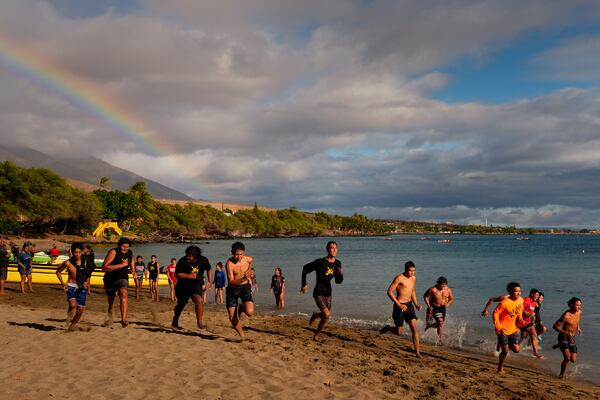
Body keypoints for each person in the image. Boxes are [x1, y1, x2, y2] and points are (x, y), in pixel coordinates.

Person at [301, 241, 344, 342]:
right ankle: (316, 316)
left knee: (326, 317)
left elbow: (338, 282)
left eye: (335, 248)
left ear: (337, 250)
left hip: (328, 292)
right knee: (326, 314)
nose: (333, 250)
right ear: (327, 249)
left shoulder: (338, 263)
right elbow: (305, 268)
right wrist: (304, 284)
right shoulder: (320, 262)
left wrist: (340, 274)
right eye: (331, 248)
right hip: (318, 291)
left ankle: (316, 334)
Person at [379, 261, 422, 357]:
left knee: (414, 329)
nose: (412, 273)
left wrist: (416, 304)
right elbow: (389, 292)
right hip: (399, 306)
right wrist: (399, 305)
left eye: (414, 271)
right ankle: (389, 328)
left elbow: (412, 291)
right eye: (410, 271)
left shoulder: (413, 278)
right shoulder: (399, 278)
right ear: (406, 269)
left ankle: (417, 352)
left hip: (409, 305)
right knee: (399, 332)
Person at [171, 245, 212, 330]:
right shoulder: (183, 261)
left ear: (195, 256)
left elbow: (209, 269)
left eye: (189, 256)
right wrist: (188, 275)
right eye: (187, 255)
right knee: (182, 304)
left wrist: (210, 282)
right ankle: (175, 321)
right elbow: (177, 274)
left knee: (199, 300)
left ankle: (200, 323)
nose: (187, 257)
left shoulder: (203, 260)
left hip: (196, 284)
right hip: (183, 285)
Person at [55, 242, 91, 331]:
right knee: (73, 304)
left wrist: (87, 284)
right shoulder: (67, 263)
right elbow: (58, 272)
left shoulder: (86, 262)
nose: (77, 254)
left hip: (81, 287)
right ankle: (69, 316)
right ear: (72, 252)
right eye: (75, 252)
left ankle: (73, 325)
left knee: (81, 309)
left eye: (79, 252)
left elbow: (88, 275)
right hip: (70, 286)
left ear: (82, 252)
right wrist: (63, 284)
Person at [101, 237, 134, 328]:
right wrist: (122, 265)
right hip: (110, 279)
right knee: (111, 299)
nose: (125, 249)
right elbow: (104, 267)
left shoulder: (130, 253)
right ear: (119, 245)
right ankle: (110, 309)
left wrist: (134, 271)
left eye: (127, 247)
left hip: (122, 278)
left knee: (124, 293)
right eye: (123, 246)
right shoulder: (113, 252)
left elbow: (131, 262)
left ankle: (124, 319)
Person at [492, 282, 524, 373]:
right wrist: (499, 327)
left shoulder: (521, 300)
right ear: (510, 292)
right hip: (502, 330)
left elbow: (520, 309)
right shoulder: (505, 302)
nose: (519, 293)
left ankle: (503, 343)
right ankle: (500, 367)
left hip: (512, 329)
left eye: (520, 291)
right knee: (505, 351)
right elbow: (495, 314)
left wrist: (520, 318)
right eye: (516, 291)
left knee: (517, 350)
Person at [225, 242, 255, 339]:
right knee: (232, 317)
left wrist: (248, 275)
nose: (239, 257)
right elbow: (231, 282)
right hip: (232, 289)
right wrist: (243, 279)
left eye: (241, 254)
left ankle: (241, 307)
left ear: (244, 253)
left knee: (250, 312)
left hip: (244, 287)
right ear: (232, 253)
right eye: (236, 254)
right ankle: (242, 336)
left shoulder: (248, 259)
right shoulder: (229, 264)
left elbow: (250, 262)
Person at [553, 297, 583, 379]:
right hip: (564, 336)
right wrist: (567, 333)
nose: (579, 307)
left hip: (572, 337)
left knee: (573, 360)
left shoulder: (579, 312)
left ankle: (560, 345)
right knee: (567, 358)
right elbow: (555, 326)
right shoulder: (566, 315)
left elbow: (577, 321)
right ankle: (561, 375)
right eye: (577, 305)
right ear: (571, 305)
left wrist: (578, 328)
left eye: (580, 305)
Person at [423, 276, 454, 344]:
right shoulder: (433, 289)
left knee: (440, 324)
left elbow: (451, 299)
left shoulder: (448, 290)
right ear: (438, 283)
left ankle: (430, 326)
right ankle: (440, 340)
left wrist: (447, 304)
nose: (443, 285)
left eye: (445, 284)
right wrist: (429, 306)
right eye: (442, 284)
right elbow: (425, 296)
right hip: (434, 308)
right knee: (440, 322)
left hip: (443, 308)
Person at [516, 288, 544, 359]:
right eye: (536, 295)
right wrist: (525, 314)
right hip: (519, 322)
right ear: (532, 294)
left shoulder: (534, 303)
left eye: (538, 296)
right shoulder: (526, 300)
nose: (537, 297)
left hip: (528, 323)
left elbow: (532, 312)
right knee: (515, 336)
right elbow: (519, 307)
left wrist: (533, 317)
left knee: (534, 334)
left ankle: (536, 353)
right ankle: (501, 346)